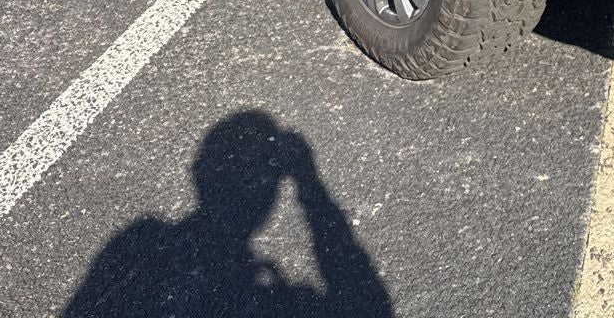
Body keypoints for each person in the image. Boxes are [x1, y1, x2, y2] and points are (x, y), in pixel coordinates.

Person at [64, 111, 389, 317]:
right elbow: (370, 301)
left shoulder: (140, 241)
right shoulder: (143, 241)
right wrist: (310, 185)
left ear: (199, 172)